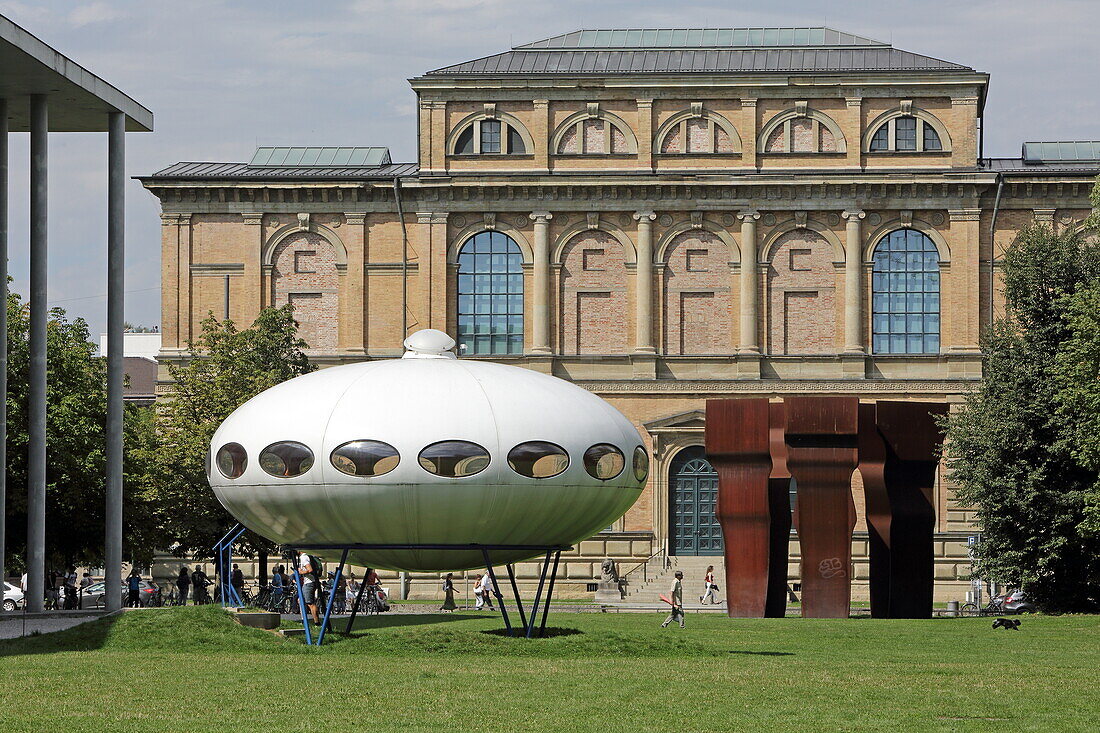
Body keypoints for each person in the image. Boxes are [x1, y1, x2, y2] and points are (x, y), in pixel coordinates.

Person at [297, 552, 320, 625]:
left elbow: (310, 569)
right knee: (300, 600)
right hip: (308, 582)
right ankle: (304, 621)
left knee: (310, 603)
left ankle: (317, 623)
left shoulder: (304, 557)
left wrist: (301, 572)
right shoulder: (307, 556)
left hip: (309, 583)